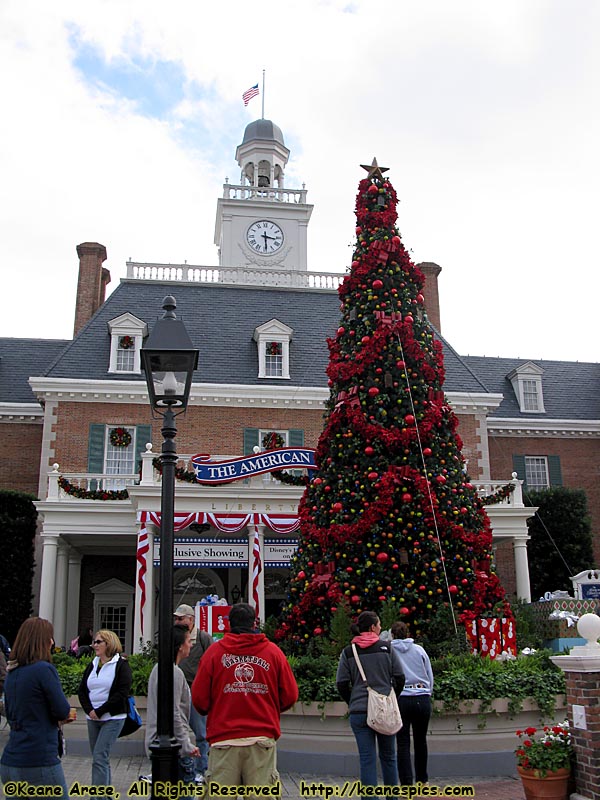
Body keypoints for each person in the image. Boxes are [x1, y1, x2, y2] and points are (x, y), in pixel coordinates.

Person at [191, 602, 298, 796]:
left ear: (229, 624)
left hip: (224, 739)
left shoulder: (214, 654)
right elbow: (290, 695)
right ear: (254, 623)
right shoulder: (273, 653)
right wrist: (269, 707)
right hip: (261, 739)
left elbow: (199, 700)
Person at [0, 617, 75, 798]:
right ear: (42, 641)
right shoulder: (44, 670)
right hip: (39, 760)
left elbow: (9, 712)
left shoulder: (12, 673)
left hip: (11, 761)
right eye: (50, 637)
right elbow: (61, 709)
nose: (52, 642)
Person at [336, 611, 404, 791]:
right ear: (373, 627)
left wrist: (353, 701)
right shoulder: (387, 648)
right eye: (379, 624)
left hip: (359, 711)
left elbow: (341, 683)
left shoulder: (349, 652)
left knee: (367, 759)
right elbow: (400, 677)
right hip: (384, 709)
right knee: (389, 757)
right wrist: (390, 697)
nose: (381, 628)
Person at [145, 625, 200, 784]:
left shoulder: (159, 668)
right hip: (174, 749)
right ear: (180, 646)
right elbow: (174, 713)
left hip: (158, 744)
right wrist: (186, 745)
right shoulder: (174, 672)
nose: (191, 645)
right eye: (189, 641)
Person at [78, 629, 132, 786]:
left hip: (113, 718)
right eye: (94, 642)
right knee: (100, 757)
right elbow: (82, 690)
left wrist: (100, 711)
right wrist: (89, 710)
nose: (94, 645)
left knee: (100, 756)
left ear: (109, 644)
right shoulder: (93, 664)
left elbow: (122, 692)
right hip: (92, 718)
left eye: (98, 642)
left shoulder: (121, 665)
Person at [390, 621, 434, 786]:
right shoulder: (419, 650)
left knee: (402, 742)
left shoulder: (390, 651)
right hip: (421, 696)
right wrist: (428, 691)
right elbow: (429, 673)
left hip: (401, 697)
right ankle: (422, 780)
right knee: (421, 740)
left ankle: (406, 783)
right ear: (407, 633)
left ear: (392, 635)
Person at [175, 609, 212, 780]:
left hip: (196, 689)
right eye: (176, 618)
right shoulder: (176, 637)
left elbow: (212, 659)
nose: (177, 621)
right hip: (179, 687)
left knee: (201, 733)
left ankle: (201, 769)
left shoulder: (203, 638)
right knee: (176, 728)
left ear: (191, 619)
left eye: (181, 618)